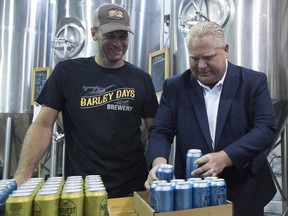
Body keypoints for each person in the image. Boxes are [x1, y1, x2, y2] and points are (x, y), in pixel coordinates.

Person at [14, 3, 158, 198]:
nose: (118, 43)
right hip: (81, 190)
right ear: (94, 33)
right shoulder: (67, 72)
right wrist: (23, 175)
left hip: (133, 188)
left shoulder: (141, 78)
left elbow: (156, 131)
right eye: (110, 36)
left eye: (123, 36)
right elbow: (43, 125)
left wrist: (158, 166)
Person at [145, 21, 277, 216]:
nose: (200, 66)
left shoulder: (252, 82)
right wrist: (158, 164)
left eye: (208, 58)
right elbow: (161, 131)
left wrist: (224, 158)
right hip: (191, 194)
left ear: (225, 50)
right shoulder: (175, 87)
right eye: (194, 58)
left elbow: (265, 128)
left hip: (245, 189)